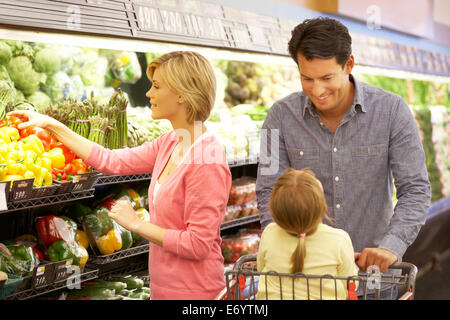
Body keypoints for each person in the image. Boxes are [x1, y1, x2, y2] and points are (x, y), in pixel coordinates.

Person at [9, 51, 232, 300]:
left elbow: (197, 245)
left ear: (182, 94)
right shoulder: (171, 142)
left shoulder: (207, 159)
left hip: (198, 294)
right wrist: (51, 125)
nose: (149, 94)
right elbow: (110, 160)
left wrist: (136, 224)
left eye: (157, 86)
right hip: (165, 289)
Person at [255, 17, 430, 298]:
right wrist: (279, 241)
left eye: (327, 78)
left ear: (348, 65)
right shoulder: (278, 116)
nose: (317, 90)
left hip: (375, 280)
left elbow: (416, 190)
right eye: (306, 78)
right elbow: (268, 189)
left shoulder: (392, 111)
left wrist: (390, 246)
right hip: (305, 282)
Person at [256, 168, 359, 300]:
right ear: (323, 208)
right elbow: (350, 284)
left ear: (274, 211)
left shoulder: (269, 232)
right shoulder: (339, 239)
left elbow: (261, 268)